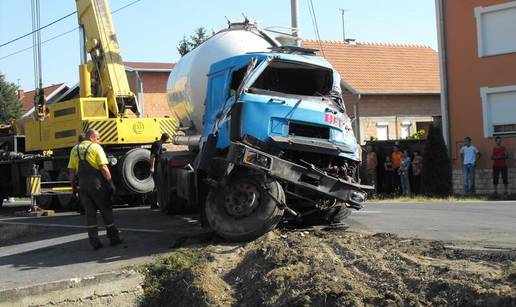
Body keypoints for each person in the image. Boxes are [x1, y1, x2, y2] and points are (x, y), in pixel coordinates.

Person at [68, 129, 123, 250]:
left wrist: (73, 188)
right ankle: (114, 238)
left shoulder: (74, 149)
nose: (99, 141)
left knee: (90, 214)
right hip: (97, 185)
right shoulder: (95, 148)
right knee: (106, 210)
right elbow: (103, 167)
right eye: (98, 138)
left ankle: (94, 242)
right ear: (92, 137)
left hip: (83, 186)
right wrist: (110, 183)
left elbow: (71, 172)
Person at [150, 133, 170, 209]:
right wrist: (152, 167)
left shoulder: (157, 143)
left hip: (156, 167)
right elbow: (153, 156)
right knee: (157, 185)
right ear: (166, 139)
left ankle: (154, 203)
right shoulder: (159, 145)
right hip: (156, 167)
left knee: (157, 185)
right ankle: (153, 204)